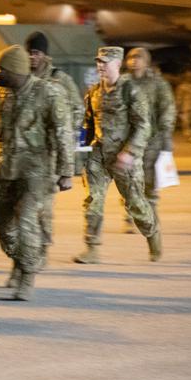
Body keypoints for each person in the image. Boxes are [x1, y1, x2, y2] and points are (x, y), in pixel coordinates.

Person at [0, 46, 74, 300]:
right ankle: (19, 260)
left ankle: (27, 276)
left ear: (15, 70)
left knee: (26, 220)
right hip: (9, 168)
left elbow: (63, 133)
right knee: (0, 216)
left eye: (1, 69)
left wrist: (66, 171)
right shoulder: (4, 95)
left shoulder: (49, 93)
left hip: (39, 170)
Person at [74, 46, 161, 265]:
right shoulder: (94, 91)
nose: (100, 66)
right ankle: (92, 248)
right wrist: (79, 141)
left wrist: (130, 152)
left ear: (117, 64)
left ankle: (152, 234)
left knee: (135, 205)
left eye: (105, 62)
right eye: (98, 62)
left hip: (125, 157)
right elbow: (88, 123)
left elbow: (143, 126)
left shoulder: (130, 90)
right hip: (100, 155)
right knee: (93, 199)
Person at [24, 31, 82, 265]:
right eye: (28, 53)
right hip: (26, 152)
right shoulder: (23, 77)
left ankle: (42, 250)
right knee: (25, 205)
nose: (31, 57)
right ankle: (28, 248)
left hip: (50, 154)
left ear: (45, 54)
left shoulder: (61, 79)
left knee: (44, 205)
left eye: (36, 53)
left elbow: (77, 109)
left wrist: (63, 129)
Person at [124, 48, 175, 230]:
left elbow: (167, 109)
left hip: (152, 140)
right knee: (129, 181)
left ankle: (151, 217)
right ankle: (130, 218)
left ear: (146, 62)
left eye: (138, 58)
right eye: (130, 57)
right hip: (129, 140)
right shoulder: (123, 83)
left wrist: (166, 138)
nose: (133, 61)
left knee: (150, 182)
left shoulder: (158, 84)